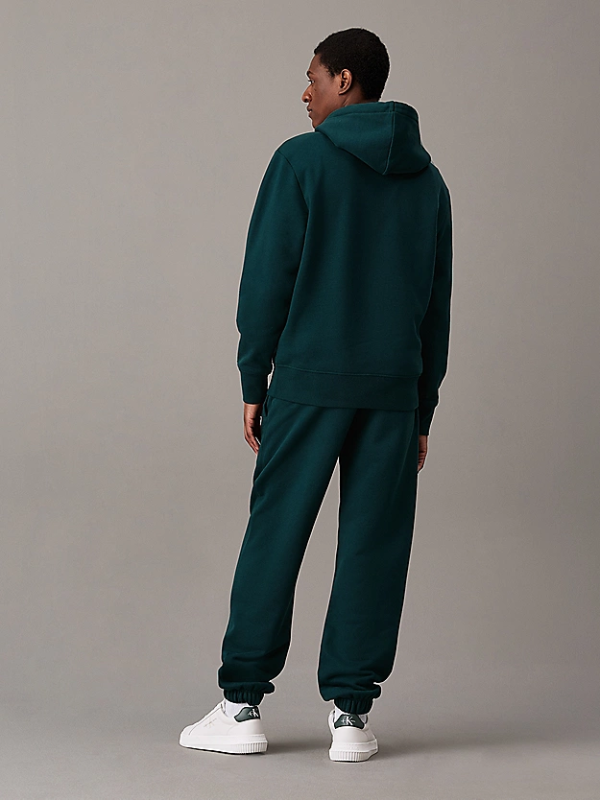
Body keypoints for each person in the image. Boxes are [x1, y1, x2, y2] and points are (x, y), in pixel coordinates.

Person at [179, 27, 452, 762]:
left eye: (314, 77)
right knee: (375, 544)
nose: (305, 92)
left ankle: (241, 707)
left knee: (275, 534)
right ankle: (352, 717)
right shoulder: (428, 182)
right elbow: (436, 305)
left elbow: (267, 277)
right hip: (393, 394)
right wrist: (422, 406)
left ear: (346, 80)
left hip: (308, 383)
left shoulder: (300, 160)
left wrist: (253, 377)